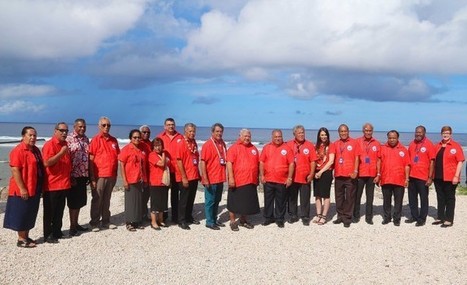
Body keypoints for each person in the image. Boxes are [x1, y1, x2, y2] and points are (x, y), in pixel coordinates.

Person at [3, 126, 45, 248]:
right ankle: (21, 239)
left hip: (34, 186)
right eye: (30, 135)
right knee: (21, 212)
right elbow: (15, 170)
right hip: (23, 187)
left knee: (30, 212)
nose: (33, 138)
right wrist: (22, 188)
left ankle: (26, 235)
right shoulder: (18, 151)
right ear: (23, 136)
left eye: (34, 135)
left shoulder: (36, 150)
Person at [89, 116, 120, 231]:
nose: (106, 127)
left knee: (107, 199)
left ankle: (106, 221)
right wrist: (92, 177)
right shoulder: (95, 140)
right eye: (104, 125)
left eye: (108, 125)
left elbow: (117, 156)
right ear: (99, 126)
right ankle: (94, 222)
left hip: (111, 175)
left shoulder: (114, 140)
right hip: (99, 175)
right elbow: (90, 159)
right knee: (97, 199)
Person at [42, 122, 72, 242]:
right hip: (52, 184)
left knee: (60, 210)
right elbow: (47, 162)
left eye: (66, 131)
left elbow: (67, 163)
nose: (64, 133)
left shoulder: (65, 144)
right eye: (62, 130)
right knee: (50, 211)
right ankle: (48, 235)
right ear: (55, 131)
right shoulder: (50, 145)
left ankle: (57, 232)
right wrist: (61, 153)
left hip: (63, 183)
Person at [226, 129, 260, 231]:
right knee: (233, 202)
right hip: (238, 180)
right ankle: (232, 222)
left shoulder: (253, 148)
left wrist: (257, 177)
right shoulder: (234, 148)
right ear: (240, 136)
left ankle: (243, 220)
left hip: (250, 180)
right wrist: (231, 178)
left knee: (246, 203)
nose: (247, 138)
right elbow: (229, 163)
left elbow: (257, 164)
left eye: (249, 136)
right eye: (245, 136)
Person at [259, 129, 294, 228]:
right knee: (268, 200)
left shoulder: (287, 148)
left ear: (282, 137)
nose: (278, 138)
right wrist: (262, 175)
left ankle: (280, 219)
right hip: (268, 179)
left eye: (279, 137)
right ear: (272, 137)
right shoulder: (267, 147)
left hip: (282, 180)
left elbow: (291, 163)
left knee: (281, 200)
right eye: (276, 137)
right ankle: (268, 217)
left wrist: (290, 178)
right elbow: (261, 162)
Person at [432, 126, 464, 227]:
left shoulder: (455, 146)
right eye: (444, 133)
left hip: (450, 177)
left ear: (451, 134)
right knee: (440, 197)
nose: (446, 135)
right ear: (441, 134)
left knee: (449, 198)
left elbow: (460, 161)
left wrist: (456, 176)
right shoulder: (437, 145)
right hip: (438, 176)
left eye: (448, 133)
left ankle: (449, 219)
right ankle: (440, 217)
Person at [286, 125, 317, 225]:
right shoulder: (288, 144)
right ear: (294, 134)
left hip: (305, 176)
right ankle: (293, 215)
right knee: (292, 198)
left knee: (305, 198)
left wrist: (312, 174)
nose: (301, 134)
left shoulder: (309, 145)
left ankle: (305, 216)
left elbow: (313, 161)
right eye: (299, 133)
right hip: (292, 177)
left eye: (303, 132)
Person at [379, 130, 410, 226]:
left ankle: (397, 218)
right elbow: (379, 162)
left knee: (398, 201)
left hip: (399, 179)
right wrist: (378, 175)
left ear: (397, 138)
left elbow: (407, 165)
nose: (392, 140)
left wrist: (407, 179)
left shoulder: (403, 149)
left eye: (394, 138)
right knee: (386, 200)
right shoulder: (382, 148)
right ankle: (387, 217)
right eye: (390, 138)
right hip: (386, 178)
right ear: (387, 138)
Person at [332, 124, 361, 228]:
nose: (343, 133)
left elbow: (357, 158)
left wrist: (355, 171)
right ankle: (340, 216)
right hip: (339, 174)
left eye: (345, 131)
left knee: (349, 197)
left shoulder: (354, 143)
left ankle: (347, 217)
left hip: (350, 175)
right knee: (339, 197)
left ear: (348, 131)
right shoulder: (335, 144)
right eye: (341, 131)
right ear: (338, 132)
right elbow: (332, 159)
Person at [118, 129, 147, 231]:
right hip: (130, 179)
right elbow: (122, 165)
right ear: (130, 138)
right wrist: (124, 180)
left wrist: (145, 179)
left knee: (138, 201)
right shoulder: (126, 149)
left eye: (139, 137)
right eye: (135, 137)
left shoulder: (142, 149)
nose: (137, 139)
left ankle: (137, 221)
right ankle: (129, 222)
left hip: (140, 179)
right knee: (130, 201)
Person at [66, 118, 90, 236]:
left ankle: (76, 223)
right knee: (73, 202)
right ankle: (72, 226)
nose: (82, 128)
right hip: (73, 175)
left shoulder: (86, 139)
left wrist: (89, 174)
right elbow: (66, 158)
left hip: (83, 175)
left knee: (80, 201)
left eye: (84, 127)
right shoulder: (69, 139)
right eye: (80, 127)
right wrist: (70, 175)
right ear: (75, 127)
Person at [200, 123, 227, 230]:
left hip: (220, 177)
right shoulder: (207, 145)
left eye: (221, 131)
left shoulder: (222, 143)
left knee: (217, 200)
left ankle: (215, 219)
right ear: (212, 132)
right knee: (210, 201)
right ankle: (209, 222)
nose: (219, 133)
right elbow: (203, 163)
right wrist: (205, 178)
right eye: (217, 131)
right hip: (211, 178)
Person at [406, 125, 435, 227]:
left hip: (423, 177)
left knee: (423, 198)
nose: (418, 134)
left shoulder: (429, 144)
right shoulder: (412, 143)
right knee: (412, 198)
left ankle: (422, 218)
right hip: (412, 175)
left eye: (420, 132)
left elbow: (432, 162)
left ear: (424, 133)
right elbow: (408, 160)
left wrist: (430, 177)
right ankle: (414, 216)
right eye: (416, 132)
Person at [157, 118, 184, 224]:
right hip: (164, 170)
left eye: (172, 124)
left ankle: (175, 217)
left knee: (175, 194)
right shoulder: (160, 137)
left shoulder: (180, 137)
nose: (170, 126)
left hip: (177, 170)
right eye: (168, 125)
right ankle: (162, 216)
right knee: (163, 194)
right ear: (164, 126)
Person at [353, 123, 381, 225]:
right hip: (360, 173)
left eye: (370, 131)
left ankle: (369, 217)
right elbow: (354, 158)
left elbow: (379, 160)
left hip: (371, 174)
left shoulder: (377, 143)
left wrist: (378, 174)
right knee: (357, 196)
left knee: (370, 197)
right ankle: (356, 215)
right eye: (366, 130)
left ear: (372, 131)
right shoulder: (357, 142)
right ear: (363, 131)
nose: (368, 132)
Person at [175, 123, 200, 230]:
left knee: (191, 198)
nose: (192, 133)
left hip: (194, 175)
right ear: (185, 131)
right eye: (190, 131)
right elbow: (179, 161)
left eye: (193, 131)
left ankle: (189, 216)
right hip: (185, 176)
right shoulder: (181, 142)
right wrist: (184, 177)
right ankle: (181, 220)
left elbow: (196, 159)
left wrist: (198, 173)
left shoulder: (194, 142)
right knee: (184, 200)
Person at [313, 127, 335, 225]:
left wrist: (321, 172)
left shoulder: (331, 145)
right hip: (316, 171)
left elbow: (331, 161)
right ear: (319, 136)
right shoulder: (317, 146)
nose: (324, 136)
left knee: (325, 194)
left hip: (326, 172)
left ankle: (324, 216)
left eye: (325, 134)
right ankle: (318, 214)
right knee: (317, 195)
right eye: (322, 135)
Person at [148, 138, 171, 230]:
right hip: (155, 182)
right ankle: (153, 221)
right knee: (155, 203)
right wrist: (164, 153)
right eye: (156, 146)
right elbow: (161, 164)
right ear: (153, 147)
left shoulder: (162, 155)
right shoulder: (152, 155)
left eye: (159, 145)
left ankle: (160, 220)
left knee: (162, 202)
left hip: (164, 181)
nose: (158, 148)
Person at [139, 125, 152, 221]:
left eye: (148, 132)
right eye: (144, 132)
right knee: (139, 196)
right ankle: (138, 215)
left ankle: (144, 214)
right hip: (139, 175)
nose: (146, 134)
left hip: (150, 174)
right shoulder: (137, 143)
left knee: (146, 196)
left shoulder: (151, 144)